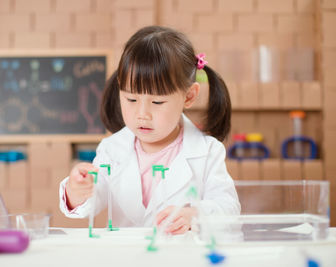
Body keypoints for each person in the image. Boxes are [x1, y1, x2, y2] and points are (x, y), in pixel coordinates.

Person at [59, 25, 240, 235]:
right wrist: (77, 190)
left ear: (189, 96)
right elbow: (93, 199)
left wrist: (195, 215)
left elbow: (229, 209)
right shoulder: (111, 149)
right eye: (131, 99)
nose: (142, 114)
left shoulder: (208, 152)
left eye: (157, 102)